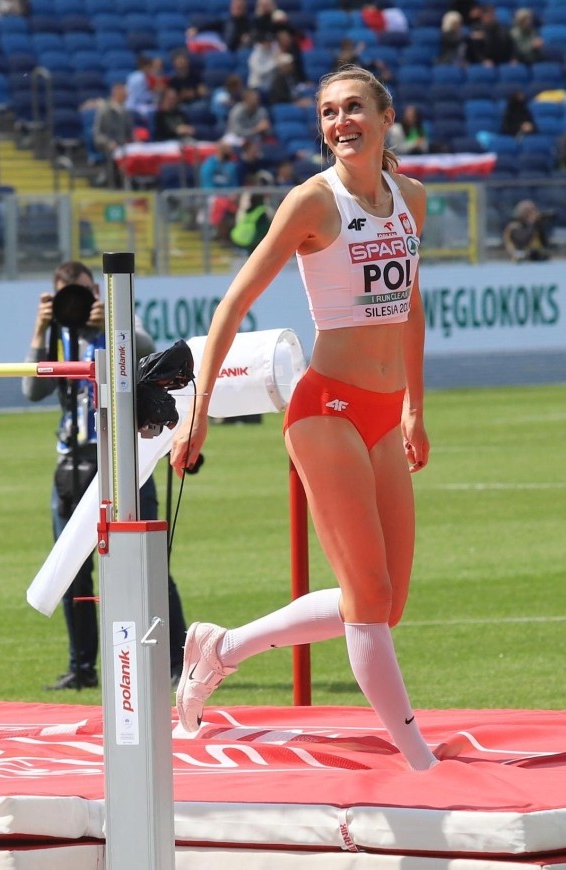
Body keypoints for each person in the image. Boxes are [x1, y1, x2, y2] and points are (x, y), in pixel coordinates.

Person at [170, 65, 440, 773]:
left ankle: (220, 649)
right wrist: (199, 411)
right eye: (327, 112)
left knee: (383, 603)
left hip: (383, 414)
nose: (339, 122)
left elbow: (409, 304)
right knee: (371, 598)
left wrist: (414, 405)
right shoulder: (311, 203)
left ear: (387, 118)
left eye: (354, 108)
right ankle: (417, 754)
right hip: (326, 410)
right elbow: (232, 305)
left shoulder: (411, 197)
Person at [22, 261, 188, 691]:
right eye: (64, 295)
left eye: (80, 293)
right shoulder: (56, 334)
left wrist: (112, 322)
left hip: (125, 457)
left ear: (96, 290)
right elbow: (32, 389)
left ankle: (174, 659)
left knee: (147, 565)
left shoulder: (118, 317)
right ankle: (82, 667)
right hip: (71, 460)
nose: (74, 303)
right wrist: (39, 332)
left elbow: (149, 349)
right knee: (74, 570)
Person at [92, 82, 134, 188]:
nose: (125, 95)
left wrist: (136, 141)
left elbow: (130, 133)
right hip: (110, 146)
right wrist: (108, 142)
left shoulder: (126, 112)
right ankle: (114, 183)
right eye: (122, 93)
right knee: (115, 155)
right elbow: (97, 134)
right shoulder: (104, 111)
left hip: (125, 146)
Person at [126, 55, 165, 123]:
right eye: (150, 68)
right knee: (156, 110)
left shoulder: (135, 75)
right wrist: (154, 93)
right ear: (146, 67)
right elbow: (140, 97)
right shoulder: (140, 78)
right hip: (135, 106)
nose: (152, 70)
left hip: (137, 104)